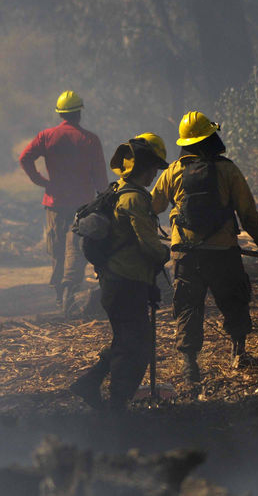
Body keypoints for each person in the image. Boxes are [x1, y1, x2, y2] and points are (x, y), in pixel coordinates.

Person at [151, 111, 258, 382]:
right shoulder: (228, 170)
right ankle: (239, 354)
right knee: (234, 300)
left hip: (185, 254)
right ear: (209, 139)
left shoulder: (173, 171)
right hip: (223, 252)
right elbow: (249, 215)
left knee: (187, 306)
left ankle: (190, 365)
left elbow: (152, 208)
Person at [69, 134, 170, 411]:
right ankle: (117, 404)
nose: (155, 174)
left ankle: (90, 383)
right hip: (127, 283)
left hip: (116, 281)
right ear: (145, 168)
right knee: (137, 346)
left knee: (126, 341)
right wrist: (165, 253)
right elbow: (150, 246)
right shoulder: (135, 199)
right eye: (154, 168)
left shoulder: (117, 191)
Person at [19, 91, 108, 315]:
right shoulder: (90, 139)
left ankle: (60, 295)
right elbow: (100, 176)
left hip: (55, 203)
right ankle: (71, 288)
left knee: (58, 249)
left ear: (60, 114)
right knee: (77, 247)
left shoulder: (47, 136)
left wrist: (41, 181)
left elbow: (24, 158)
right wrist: (105, 200)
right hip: (84, 205)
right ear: (79, 113)